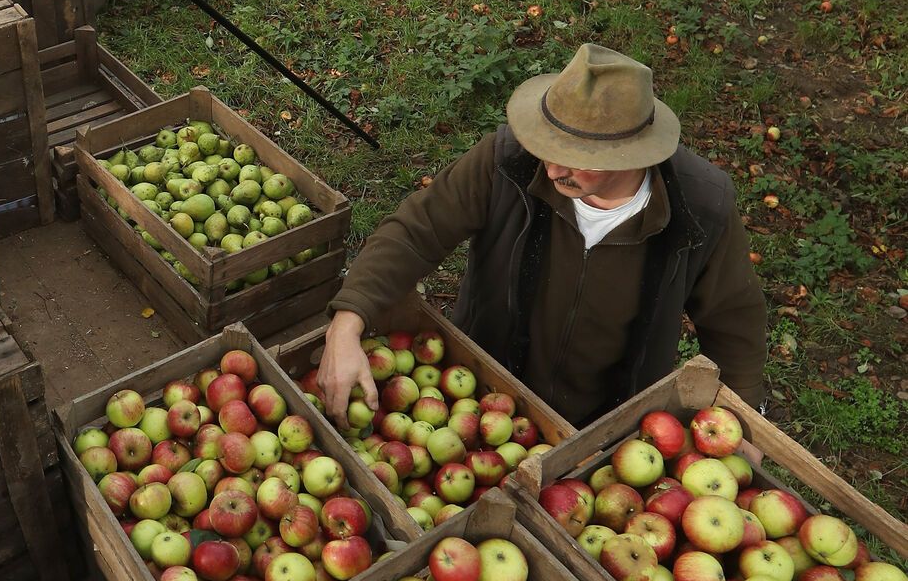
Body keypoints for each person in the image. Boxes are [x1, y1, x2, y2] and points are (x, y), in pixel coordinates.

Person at [318, 42, 768, 429]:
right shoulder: (508, 162)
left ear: (634, 155)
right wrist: (348, 321)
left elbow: (733, 321)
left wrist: (744, 425)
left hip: (608, 424)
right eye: (548, 147)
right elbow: (418, 230)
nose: (552, 169)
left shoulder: (699, 207)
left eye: (577, 158)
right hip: (479, 392)